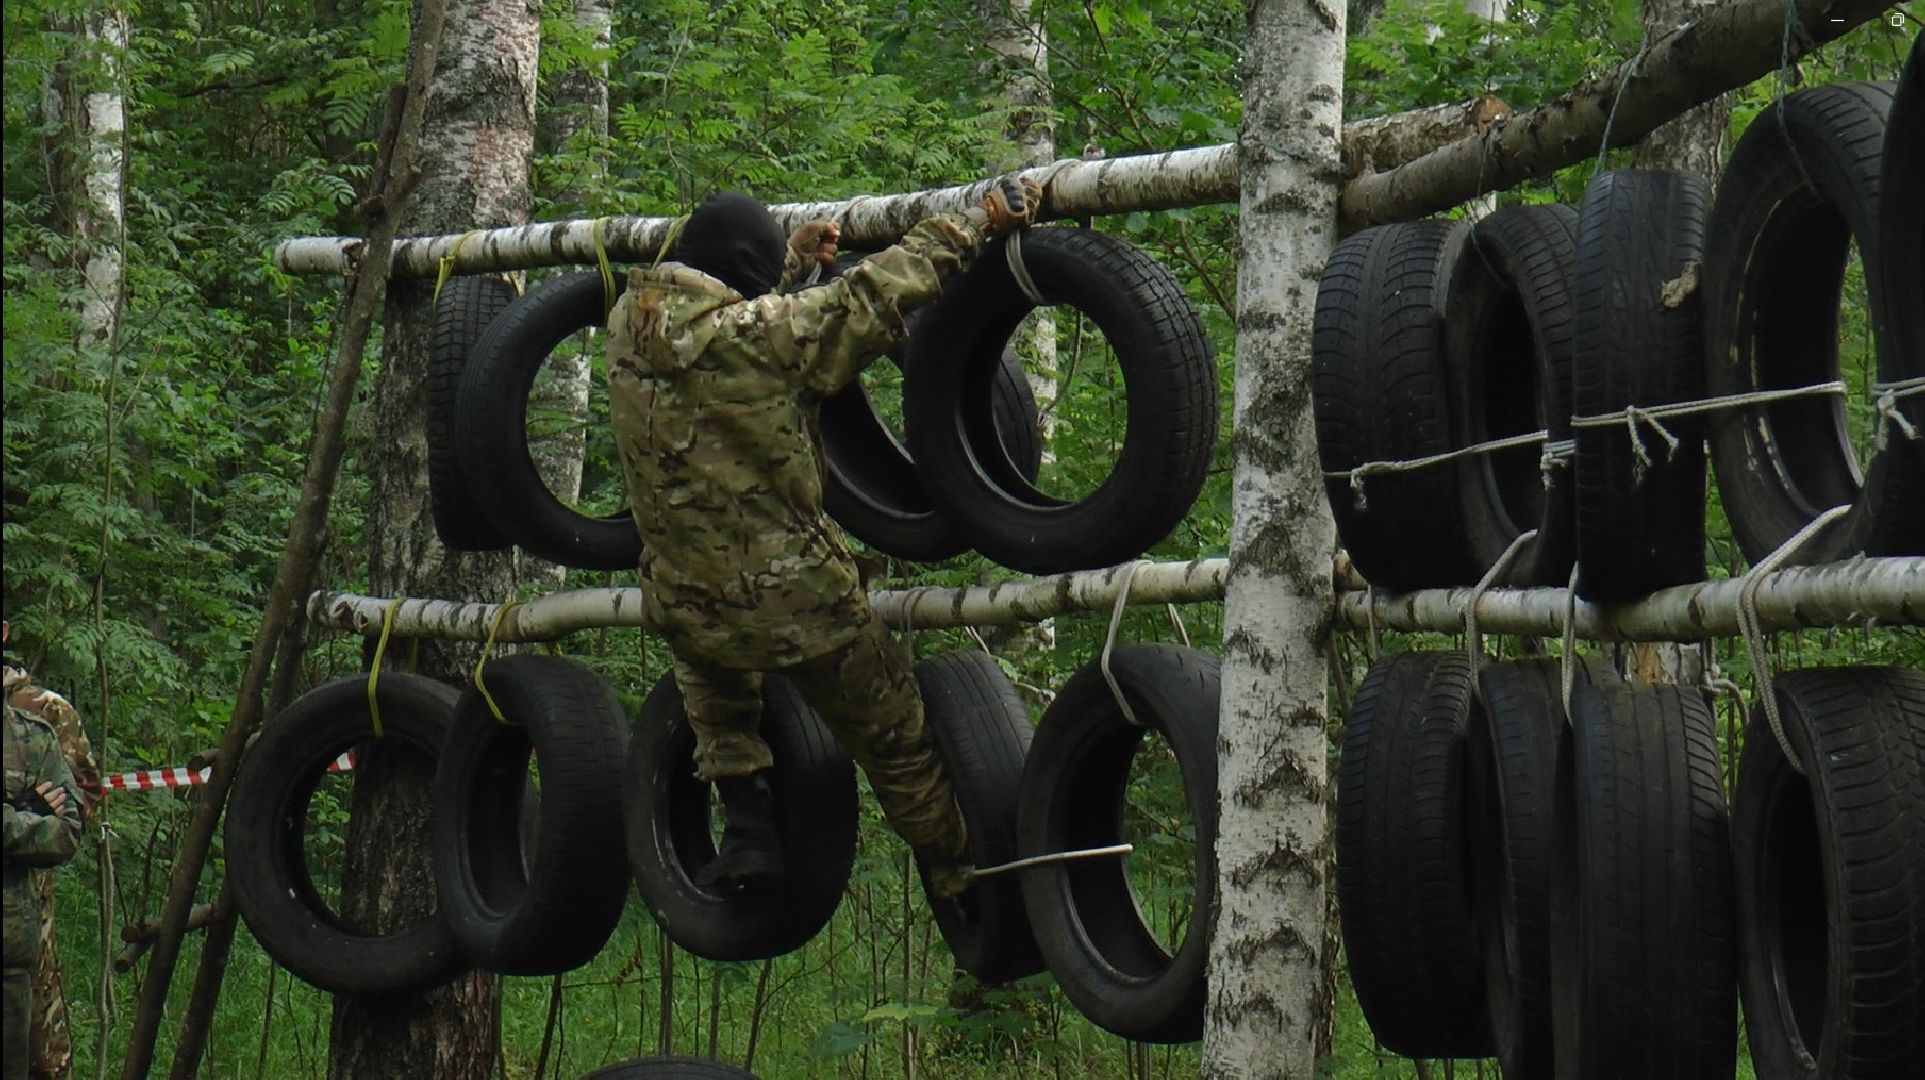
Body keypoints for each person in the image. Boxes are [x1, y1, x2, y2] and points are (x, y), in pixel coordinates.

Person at [606, 176, 1043, 898]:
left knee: (718, 710)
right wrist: (973, 222)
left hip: (684, 595)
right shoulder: (765, 342)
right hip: (798, 603)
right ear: (742, 272)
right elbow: (868, 297)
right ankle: (963, 871)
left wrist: (790, 263)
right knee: (896, 740)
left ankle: (747, 831)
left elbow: (737, 302)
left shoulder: (627, 323)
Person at [4, 621, 97, 1080]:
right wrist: (25, 813)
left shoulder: (40, 722)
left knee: (38, 1056)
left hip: (17, 928)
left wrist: (24, 822)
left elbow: (73, 817)